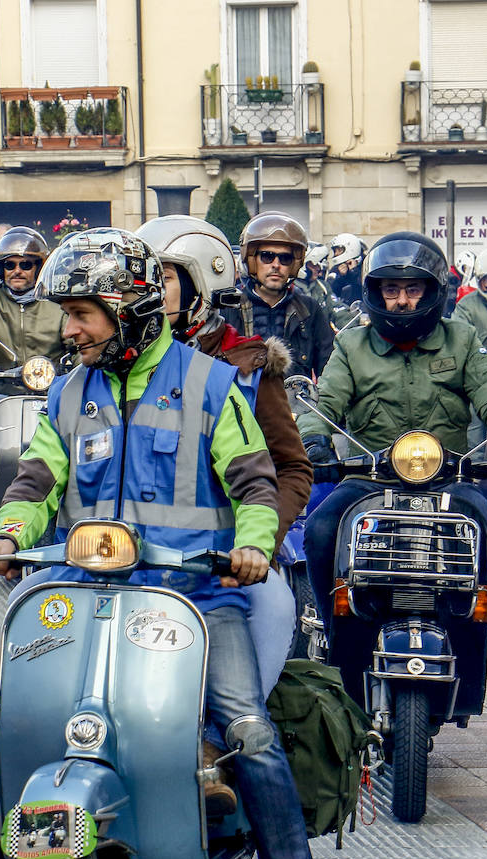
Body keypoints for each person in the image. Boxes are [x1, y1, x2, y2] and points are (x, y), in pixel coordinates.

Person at [0, 228, 320, 859]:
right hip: (86, 591)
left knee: (246, 724)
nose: (68, 329)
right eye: (66, 314)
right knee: (9, 714)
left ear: (127, 309)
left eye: (81, 314)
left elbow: (256, 485)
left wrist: (253, 548)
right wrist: (5, 536)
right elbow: (38, 482)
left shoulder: (211, 384)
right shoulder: (70, 392)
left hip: (198, 594)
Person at [297, 231, 487, 635]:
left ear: (434, 291)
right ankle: (332, 629)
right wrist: (315, 442)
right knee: (321, 529)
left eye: (413, 288)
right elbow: (325, 403)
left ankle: (471, 629)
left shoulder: (461, 339)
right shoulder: (352, 345)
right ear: (374, 291)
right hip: (367, 479)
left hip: (450, 479)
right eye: (391, 289)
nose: (402, 300)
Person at [136, 214, 313, 698]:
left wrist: (258, 547)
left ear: (202, 281)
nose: (147, 289)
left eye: (163, 277)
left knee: (276, 608)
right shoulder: (122, 361)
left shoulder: (248, 364)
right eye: (141, 277)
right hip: (132, 553)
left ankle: (243, 736)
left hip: (226, 558)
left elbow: (293, 468)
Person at [0, 227, 68, 456]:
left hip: (55, 390)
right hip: (5, 391)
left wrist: (76, 367)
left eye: (26, 264)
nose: (17, 271)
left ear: (39, 267)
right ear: (0, 268)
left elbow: (75, 340)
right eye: (10, 265)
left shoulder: (57, 301)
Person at [225, 212, 334, 379]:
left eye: (285, 258)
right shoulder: (229, 308)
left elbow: (330, 371)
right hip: (239, 402)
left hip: (295, 402)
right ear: (252, 260)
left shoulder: (309, 310)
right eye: (267, 256)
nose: (276, 265)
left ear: (294, 264)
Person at [326, 232, 365, 305]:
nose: (336, 253)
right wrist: (340, 277)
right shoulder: (336, 268)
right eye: (335, 250)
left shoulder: (365, 264)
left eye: (339, 250)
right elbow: (329, 291)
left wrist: (354, 272)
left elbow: (365, 289)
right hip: (342, 310)